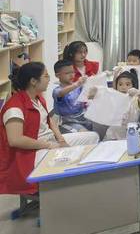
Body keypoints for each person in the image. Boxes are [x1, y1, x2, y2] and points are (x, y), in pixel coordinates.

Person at [0, 63, 99, 195]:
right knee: (69, 158)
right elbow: (15, 140)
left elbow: (50, 121)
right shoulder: (14, 107)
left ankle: (85, 183)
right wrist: (50, 145)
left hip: (48, 142)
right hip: (31, 153)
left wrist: (61, 140)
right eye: (46, 76)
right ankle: (66, 192)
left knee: (93, 137)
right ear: (33, 81)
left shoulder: (38, 99)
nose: (49, 79)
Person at [102, 71, 140, 140]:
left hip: (132, 135)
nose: (123, 87)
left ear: (133, 86)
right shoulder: (113, 98)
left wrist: (138, 92)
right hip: (113, 136)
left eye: (127, 85)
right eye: (120, 84)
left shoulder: (135, 100)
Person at [52, 60, 93, 131]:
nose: (72, 75)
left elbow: (88, 95)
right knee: (86, 133)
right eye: (67, 73)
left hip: (83, 118)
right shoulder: (56, 91)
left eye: (73, 72)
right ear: (57, 75)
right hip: (68, 122)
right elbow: (61, 93)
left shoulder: (78, 87)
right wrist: (77, 84)